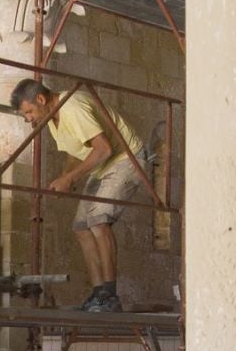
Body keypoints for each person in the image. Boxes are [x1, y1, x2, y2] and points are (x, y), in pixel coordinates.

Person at [10, 78, 147, 313]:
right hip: (104, 165)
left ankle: (110, 295)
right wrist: (65, 176)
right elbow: (76, 151)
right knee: (81, 227)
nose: (28, 118)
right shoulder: (51, 119)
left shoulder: (72, 107)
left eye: (29, 111)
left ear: (41, 99)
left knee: (98, 221)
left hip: (127, 159)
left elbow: (103, 148)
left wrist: (71, 178)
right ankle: (98, 293)